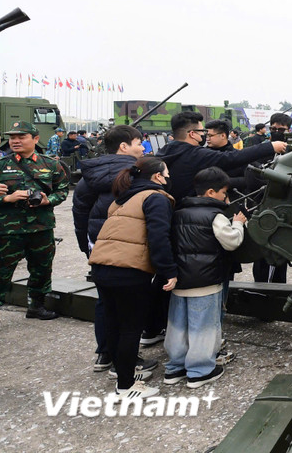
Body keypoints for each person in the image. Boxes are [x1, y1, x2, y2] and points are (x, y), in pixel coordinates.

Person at [88, 156, 178, 400]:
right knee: (130, 328)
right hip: (129, 271)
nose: (168, 178)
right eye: (166, 174)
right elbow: (159, 237)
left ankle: (122, 373)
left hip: (102, 266)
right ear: (158, 176)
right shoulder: (156, 197)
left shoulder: (121, 200)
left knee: (114, 324)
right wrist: (169, 270)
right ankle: (126, 386)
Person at [72, 125, 146, 371]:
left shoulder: (90, 175)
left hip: (99, 246)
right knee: (130, 306)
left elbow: (80, 213)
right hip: (130, 247)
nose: (143, 148)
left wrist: (87, 248)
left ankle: (105, 353)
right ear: (124, 147)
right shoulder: (137, 174)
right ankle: (126, 363)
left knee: (105, 301)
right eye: (139, 143)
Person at [164, 167, 244, 389]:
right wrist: (238, 223)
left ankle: (174, 367)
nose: (225, 197)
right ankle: (200, 371)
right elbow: (232, 242)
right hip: (206, 282)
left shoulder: (178, 212)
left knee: (178, 326)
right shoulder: (215, 216)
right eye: (223, 193)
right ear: (211, 192)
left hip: (180, 280)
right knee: (204, 327)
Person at [0, 122, 70, 333]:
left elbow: (63, 190)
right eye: (12, 137)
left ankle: (36, 306)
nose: (15, 141)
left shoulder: (51, 164)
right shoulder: (1, 165)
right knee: (1, 272)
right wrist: (7, 198)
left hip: (41, 228)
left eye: (22, 136)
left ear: (36, 139)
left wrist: (49, 200)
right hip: (7, 231)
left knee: (41, 269)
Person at [157, 111, 285, 202]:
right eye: (203, 132)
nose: (205, 136)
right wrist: (270, 147)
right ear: (192, 134)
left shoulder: (165, 151)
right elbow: (233, 157)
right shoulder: (196, 154)